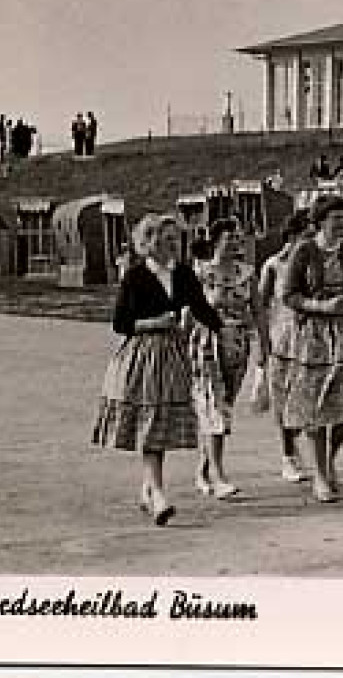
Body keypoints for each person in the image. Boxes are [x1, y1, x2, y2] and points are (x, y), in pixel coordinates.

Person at [94, 213, 223, 526]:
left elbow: (201, 308)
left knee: (160, 425)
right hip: (143, 357)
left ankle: (148, 489)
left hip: (173, 357)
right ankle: (158, 494)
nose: (173, 245)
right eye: (166, 239)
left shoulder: (183, 273)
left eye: (176, 239)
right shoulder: (136, 276)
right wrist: (155, 323)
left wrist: (223, 330)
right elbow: (120, 323)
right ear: (148, 242)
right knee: (150, 422)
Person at [277, 195, 343, 502]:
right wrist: (320, 306)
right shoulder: (304, 251)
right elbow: (289, 295)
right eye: (336, 219)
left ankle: (330, 458)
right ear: (320, 221)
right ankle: (319, 475)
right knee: (316, 407)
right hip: (314, 336)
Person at [188, 217, 269, 501]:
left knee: (223, 407)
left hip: (237, 345)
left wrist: (264, 346)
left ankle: (203, 469)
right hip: (206, 343)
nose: (235, 242)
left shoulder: (247, 273)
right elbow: (187, 312)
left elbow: (258, 310)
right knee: (215, 407)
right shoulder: (200, 272)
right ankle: (219, 476)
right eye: (229, 237)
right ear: (215, 241)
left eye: (238, 237)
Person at [257, 210, 315, 482]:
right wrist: (262, 344)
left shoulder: (316, 263)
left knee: (310, 399)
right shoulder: (273, 265)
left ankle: (312, 454)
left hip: (312, 338)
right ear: (292, 236)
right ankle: (288, 455)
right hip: (282, 338)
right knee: (284, 400)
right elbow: (260, 305)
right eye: (307, 235)